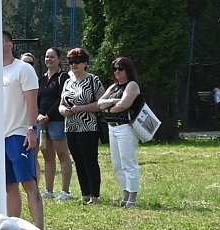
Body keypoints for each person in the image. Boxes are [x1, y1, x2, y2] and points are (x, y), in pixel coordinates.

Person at [0, 30, 43, 230]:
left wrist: (32, 130)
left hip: (19, 134)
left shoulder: (23, 69)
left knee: (29, 184)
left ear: (10, 45)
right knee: (8, 186)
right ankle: (14, 228)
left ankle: (40, 229)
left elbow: (32, 102)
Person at [57, 48, 105, 205]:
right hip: (71, 127)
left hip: (88, 126)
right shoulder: (68, 82)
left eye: (77, 61)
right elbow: (61, 104)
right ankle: (85, 193)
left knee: (90, 160)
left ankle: (95, 195)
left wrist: (81, 108)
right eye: (70, 62)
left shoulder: (93, 80)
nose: (73, 65)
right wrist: (64, 110)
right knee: (77, 160)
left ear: (85, 63)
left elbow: (102, 104)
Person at [100, 56, 145, 207]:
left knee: (128, 162)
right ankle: (125, 192)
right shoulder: (113, 87)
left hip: (126, 127)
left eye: (120, 69)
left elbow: (125, 104)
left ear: (128, 70)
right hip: (112, 127)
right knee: (117, 164)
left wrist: (110, 108)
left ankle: (133, 198)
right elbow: (100, 103)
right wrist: (112, 102)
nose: (117, 72)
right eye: (115, 69)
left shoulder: (132, 85)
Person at [37, 47, 74, 201]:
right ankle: (49, 190)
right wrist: (39, 114)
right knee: (47, 156)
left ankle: (65, 191)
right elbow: (37, 99)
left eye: (52, 57)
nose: (49, 59)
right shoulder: (42, 78)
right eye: (47, 56)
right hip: (42, 123)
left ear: (59, 59)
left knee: (63, 155)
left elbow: (61, 98)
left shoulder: (63, 77)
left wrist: (48, 115)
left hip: (57, 121)